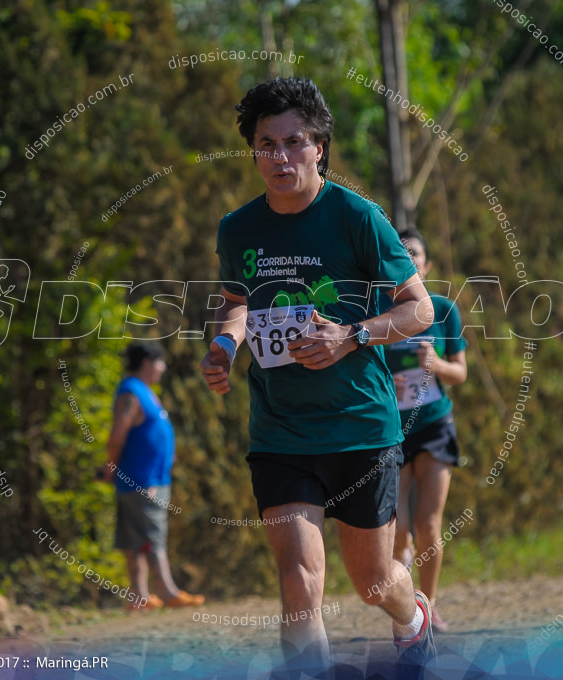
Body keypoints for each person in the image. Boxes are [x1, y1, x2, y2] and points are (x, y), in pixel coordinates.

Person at [199, 76, 436, 674]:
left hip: (360, 427)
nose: (280, 157)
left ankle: (414, 622)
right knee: (300, 580)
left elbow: (420, 309)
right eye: (266, 144)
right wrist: (225, 347)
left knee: (375, 582)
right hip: (281, 433)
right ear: (253, 150)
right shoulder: (239, 228)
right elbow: (235, 302)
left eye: (293, 142)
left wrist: (351, 335)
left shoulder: (358, 217)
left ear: (319, 146)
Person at [385, 229, 467, 632]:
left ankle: (429, 606)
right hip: (393, 431)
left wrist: (435, 365)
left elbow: (461, 373)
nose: (409, 258)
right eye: (402, 254)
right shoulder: (383, 312)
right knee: (397, 530)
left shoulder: (443, 309)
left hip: (434, 424)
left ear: (427, 264)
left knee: (428, 524)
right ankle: (409, 607)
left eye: (415, 253)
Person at [104, 342, 204, 609]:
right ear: (148, 362)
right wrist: (109, 467)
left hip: (150, 479)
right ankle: (169, 593)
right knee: (153, 536)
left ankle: (140, 596)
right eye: (160, 362)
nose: (164, 368)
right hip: (141, 480)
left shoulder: (145, 392)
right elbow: (117, 436)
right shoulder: (131, 393)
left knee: (134, 539)